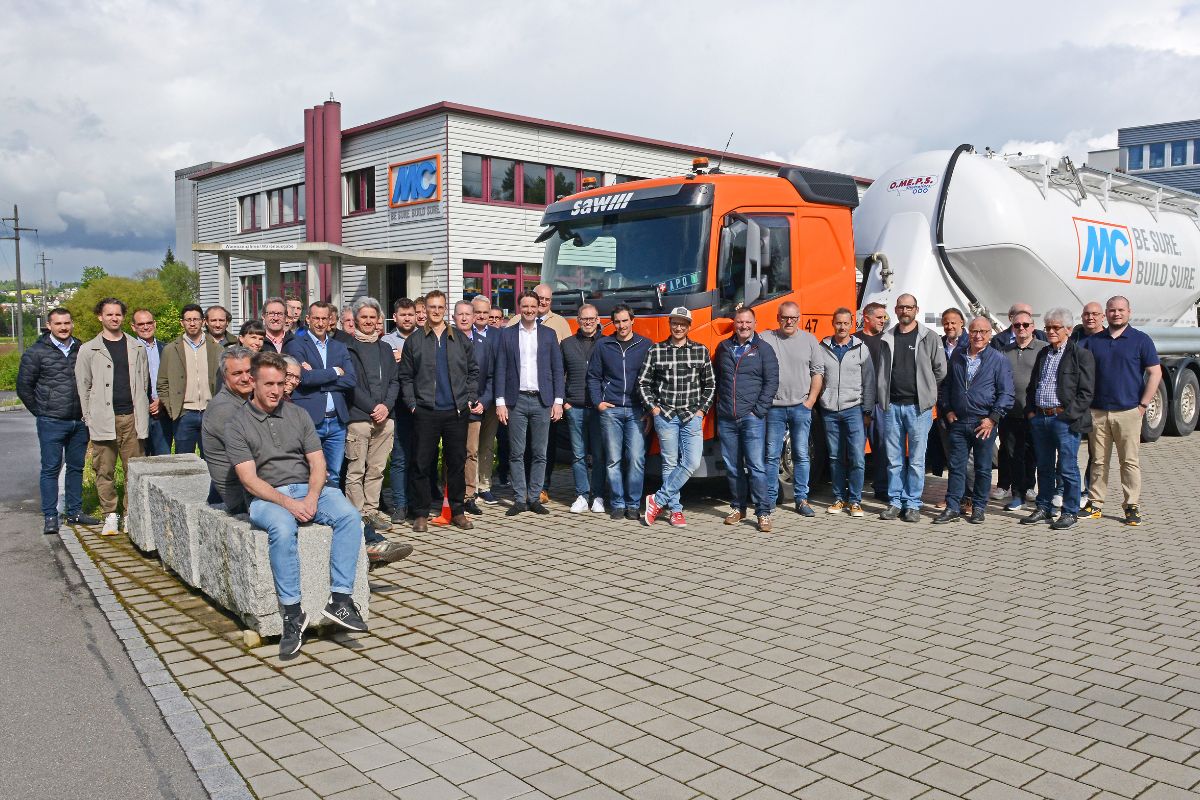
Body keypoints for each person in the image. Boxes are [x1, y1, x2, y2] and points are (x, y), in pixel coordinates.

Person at [225, 351, 368, 659]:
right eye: (269, 384)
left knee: (348, 515)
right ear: (253, 383)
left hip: (307, 487)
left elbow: (318, 464)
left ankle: (340, 600)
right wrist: (290, 504)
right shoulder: (237, 424)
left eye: (281, 383)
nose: (276, 390)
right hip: (267, 495)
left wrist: (312, 498)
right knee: (281, 526)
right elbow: (249, 480)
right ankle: (292, 614)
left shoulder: (298, 414)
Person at [398, 291, 479, 531]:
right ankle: (421, 513)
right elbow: (405, 376)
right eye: (431, 307)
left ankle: (457, 511)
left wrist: (469, 398)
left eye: (440, 307)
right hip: (425, 411)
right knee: (421, 463)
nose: (435, 311)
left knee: (456, 463)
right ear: (425, 309)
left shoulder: (460, 339)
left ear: (445, 309)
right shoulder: (415, 341)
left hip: (456, 411)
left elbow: (473, 372)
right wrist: (412, 404)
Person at [1079, 296, 1161, 526]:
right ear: (1106, 313)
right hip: (1098, 412)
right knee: (1098, 461)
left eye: (1120, 310)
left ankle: (1131, 506)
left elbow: (1155, 372)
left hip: (1128, 411)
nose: (1116, 314)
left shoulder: (1141, 340)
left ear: (1129, 312)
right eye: (1112, 310)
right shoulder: (1094, 341)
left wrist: (1143, 405)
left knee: (1129, 462)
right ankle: (1095, 503)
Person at [18, 307, 100, 533]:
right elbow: (24, 387)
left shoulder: (82, 349)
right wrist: (42, 411)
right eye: (58, 324)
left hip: (79, 421)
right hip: (51, 421)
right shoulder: (36, 352)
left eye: (67, 323)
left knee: (76, 468)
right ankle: (50, 516)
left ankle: (74, 512)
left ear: (72, 324)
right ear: (49, 326)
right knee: (50, 469)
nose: (63, 328)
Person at [76, 297, 150, 536]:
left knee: (134, 470)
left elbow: (144, 382)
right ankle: (110, 514)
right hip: (104, 419)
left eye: (118, 314)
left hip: (132, 418)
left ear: (123, 317)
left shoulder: (137, 347)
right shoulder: (89, 349)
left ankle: (130, 514)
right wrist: (89, 417)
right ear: (100, 317)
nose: (114, 318)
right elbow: (83, 386)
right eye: (109, 314)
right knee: (104, 469)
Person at [933, 317, 1014, 525]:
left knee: (983, 468)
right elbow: (946, 386)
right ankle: (953, 507)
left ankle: (978, 507)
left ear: (990, 334)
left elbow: (1006, 393)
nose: (978, 336)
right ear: (968, 332)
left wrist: (993, 418)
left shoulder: (998, 359)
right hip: (959, 422)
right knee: (956, 467)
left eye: (983, 332)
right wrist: (947, 410)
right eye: (974, 331)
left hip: (983, 423)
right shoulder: (958, 355)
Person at [639, 307, 715, 527]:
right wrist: (653, 409)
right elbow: (643, 383)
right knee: (669, 463)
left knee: (691, 462)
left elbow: (710, 385)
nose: (678, 327)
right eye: (675, 323)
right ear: (670, 324)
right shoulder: (656, 350)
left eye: (683, 324)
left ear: (689, 326)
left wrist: (701, 411)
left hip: (691, 415)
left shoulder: (700, 350)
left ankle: (657, 500)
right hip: (665, 415)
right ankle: (675, 510)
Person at [876, 294, 948, 522]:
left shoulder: (929, 337)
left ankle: (913, 504)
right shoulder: (887, 337)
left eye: (909, 307)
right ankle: (895, 502)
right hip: (892, 406)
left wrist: (928, 391)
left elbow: (941, 370)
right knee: (894, 459)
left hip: (918, 408)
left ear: (916, 309)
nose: (905, 311)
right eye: (901, 307)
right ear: (895, 310)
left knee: (917, 460)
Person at [1021, 308, 1095, 530]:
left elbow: (1086, 392)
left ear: (1068, 330)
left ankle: (1070, 511)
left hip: (1064, 420)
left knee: (1067, 468)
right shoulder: (1044, 353)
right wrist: (1031, 412)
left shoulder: (1081, 355)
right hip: (1040, 418)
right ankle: (1044, 507)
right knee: (1044, 467)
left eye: (1056, 327)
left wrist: (1067, 417)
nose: (1051, 331)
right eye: (1048, 327)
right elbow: (1033, 385)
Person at [494, 292, 563, 516]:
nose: (530, 310)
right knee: (516, 452)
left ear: (538, 307)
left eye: (533, 306)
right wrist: (500, 402)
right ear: (519, 307)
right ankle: (519, 499)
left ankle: (534, 498)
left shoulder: (549, 334)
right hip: (516, 400)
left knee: (540, 452)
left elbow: (557, 369)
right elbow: (500, 368)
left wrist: (558, 401)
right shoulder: (508, 334)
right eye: (525, 306)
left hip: (543, 401)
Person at [714, 307, 779, 532]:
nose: (743, 326)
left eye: (748, 322)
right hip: (727, 418)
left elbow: (772, 382)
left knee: (756, 466)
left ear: (755, 323)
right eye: (740, 322)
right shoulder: (723, 347)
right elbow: (717, 379)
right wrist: (720, 407)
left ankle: (763, 512)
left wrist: (758, 411)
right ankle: (738, 508)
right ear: (734, 324)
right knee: (732, 467)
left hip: (752, 418)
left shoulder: (763, 349)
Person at [760, 301, 824, 517]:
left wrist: (810, 402)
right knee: (771, 456)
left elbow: (817, 372)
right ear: (778, 318)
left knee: (802, 455)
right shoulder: (766, 338)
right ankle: (769, 500)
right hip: (774, 408)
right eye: (785, 317)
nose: (789, 322)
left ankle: (801, 499)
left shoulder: (809, 340)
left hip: (800, 407)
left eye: (793, 318)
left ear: (799, 318)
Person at [587, 304, 651, 521]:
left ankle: (633, 504)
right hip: (611, 410)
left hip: (636, 410)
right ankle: (617, 503)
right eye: (617, 322)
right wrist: (598, 402)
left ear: (632, 320)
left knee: (636, 458)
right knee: (613, 459)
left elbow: (652, 379)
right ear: (612, 323)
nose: (621, 325)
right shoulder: (603, 345)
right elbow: (593, 376)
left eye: (625, 321)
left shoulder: (645, 345)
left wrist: (648, 408)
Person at [343, 297, 401, 533]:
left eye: (372, 317)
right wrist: (372, 407)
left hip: (384, 420)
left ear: (379, 320)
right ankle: (356, 516)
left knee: (376, 470)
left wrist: (386, 406)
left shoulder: (385, 348)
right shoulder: (347, 348)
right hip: (359, 418)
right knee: (356, 471)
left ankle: (371, 512)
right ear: (356, 319)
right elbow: (350, 384)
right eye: (364, 317)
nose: (368, 321)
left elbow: (395, 380)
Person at [284, 302, 357, 486]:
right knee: (308, 473)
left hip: (337, 421)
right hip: (310, 419)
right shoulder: (296, 345)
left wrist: (318, 380)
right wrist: (335, 371)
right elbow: (304, 378)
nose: (320, 323)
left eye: (324, 318)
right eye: (316, 318)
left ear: (330, 320)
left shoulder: (339, 347)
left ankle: (330, 504)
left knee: (334, 474)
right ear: (308, 319)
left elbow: (351, 380)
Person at [817, 308, 875, 517]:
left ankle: (855, 501)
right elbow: (816, 375)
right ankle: (838, 498)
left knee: (857, 457)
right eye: (838, 323)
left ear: (851, 324)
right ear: (833, 323)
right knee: (835, 457)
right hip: (829, 410)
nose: (842, 327)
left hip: (854, 410)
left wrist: (867, 410)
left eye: (845, 323)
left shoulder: (861, 348)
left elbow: (869, 381)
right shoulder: (822, 347)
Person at [996, 310, 1047, 511]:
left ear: (1033, 327)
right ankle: (1017, 494)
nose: (1021, 328)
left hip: (1034, 413)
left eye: (1025, 325)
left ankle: (1031, 488)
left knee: (1033, 454)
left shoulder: (1043, 349)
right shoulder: (1004, 351)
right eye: (1017, 325)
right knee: (1012, 455)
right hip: (1010, 413)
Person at [158, 303, 223, 457]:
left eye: (196, 319)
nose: (192, 323)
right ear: (182, 323)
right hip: (184, 414)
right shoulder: (170, 349)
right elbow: (162, 383)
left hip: (210, 412)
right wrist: (173, 409)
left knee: (211, 459)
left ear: (203, 321)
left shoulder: (216, 348)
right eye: (188, 320)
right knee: (184, 460)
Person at [561, 304, 606, 514]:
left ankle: (598, 496)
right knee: (578, 454)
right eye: (584, 319)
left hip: (599, 409)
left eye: (591, 318)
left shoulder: (607, 343)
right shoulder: (567, 344)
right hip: (575, 407)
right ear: (578, 320)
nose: (588, 322)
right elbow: (558, 373)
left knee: (599, 455)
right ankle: (581, 495)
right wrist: (565, 402)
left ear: (598, 320)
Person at [201, 346, 255, 514]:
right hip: (242, 497)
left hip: (256, 488)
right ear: (225, 377)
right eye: (237, 373)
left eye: (249, 371)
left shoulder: (248, 400)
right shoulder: (223, 409)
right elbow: (260, 451)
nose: (245, 378)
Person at [382, 298, 418, 523]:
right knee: (400, 458)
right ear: (395, 317)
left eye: (410, 314)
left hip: (421, 405)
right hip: (399, 407)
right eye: (403, 315)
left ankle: (416, 504)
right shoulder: (386, 341)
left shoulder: (424, 337)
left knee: (419, 458)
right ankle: (400, 505)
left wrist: (402, 357)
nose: (407, 318)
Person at [457, 299, 494, 516]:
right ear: (454, 317)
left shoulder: (484, 343)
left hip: (476, 407)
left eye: (467, 314)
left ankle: (469, 496)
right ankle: (452, 495)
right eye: (460, 314)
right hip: (452, 408)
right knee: (454, 453)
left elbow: (491, 376)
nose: (464, 318)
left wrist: (483, 402)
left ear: (473, 318)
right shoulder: (446, 342)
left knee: (471, 452)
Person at [932, 308, 968, 508]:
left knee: (968, 459)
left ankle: (968, 498)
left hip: (965, 409)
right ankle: (953, 497)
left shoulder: (971, 343)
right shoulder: (939, 344)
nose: (949, 326)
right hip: (944, 408)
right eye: (946, 323)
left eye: (953, 322)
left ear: (962, 322)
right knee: (951, 456)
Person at [470, 295, 501, 506]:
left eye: (485, 312)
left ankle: (485, 485)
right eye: (477, 312)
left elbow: (500, 369)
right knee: (470, 446)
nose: (481, 316)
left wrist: (488, 399)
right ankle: (470, 487)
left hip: (491, 398)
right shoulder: (464, 333)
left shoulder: (499, 335)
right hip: (470, 401)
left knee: (487, 444)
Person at [858, 301, 889, 502]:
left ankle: (882, 488)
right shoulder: (855, 340)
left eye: (884, 317)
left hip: (881, 405)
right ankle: (853, 490)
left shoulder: (887, 341)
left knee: (882, 448)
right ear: (866, 318)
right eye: (879, 317)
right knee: (854, 450)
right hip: (857, 404)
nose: (883, 321)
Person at [131, 308, 171, 456]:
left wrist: (162, 400)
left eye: (149, 323)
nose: (146, 327)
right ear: (133, 327)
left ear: (155, 324)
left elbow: (174, 379)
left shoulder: (166, 348)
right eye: (141, 324)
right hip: (137, 414)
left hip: (163, 412)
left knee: (163, 458)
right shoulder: (129, 349)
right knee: (140, 460)